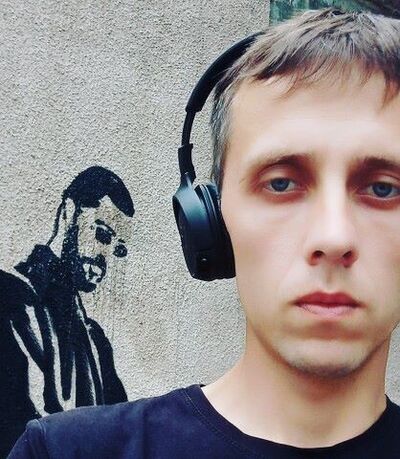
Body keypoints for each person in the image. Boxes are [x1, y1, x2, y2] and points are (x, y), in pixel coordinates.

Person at [9, 7, 400, 458]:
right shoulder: (63, 452)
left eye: (383, 188)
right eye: (280, 183)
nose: (333, 238)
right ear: (211, 221)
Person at [1, 166, 134, 457]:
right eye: (102, 235)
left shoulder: (96, 341)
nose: (105, 258)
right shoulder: (9, 298)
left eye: (118, 250)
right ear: (68, 213)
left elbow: (123, 434)